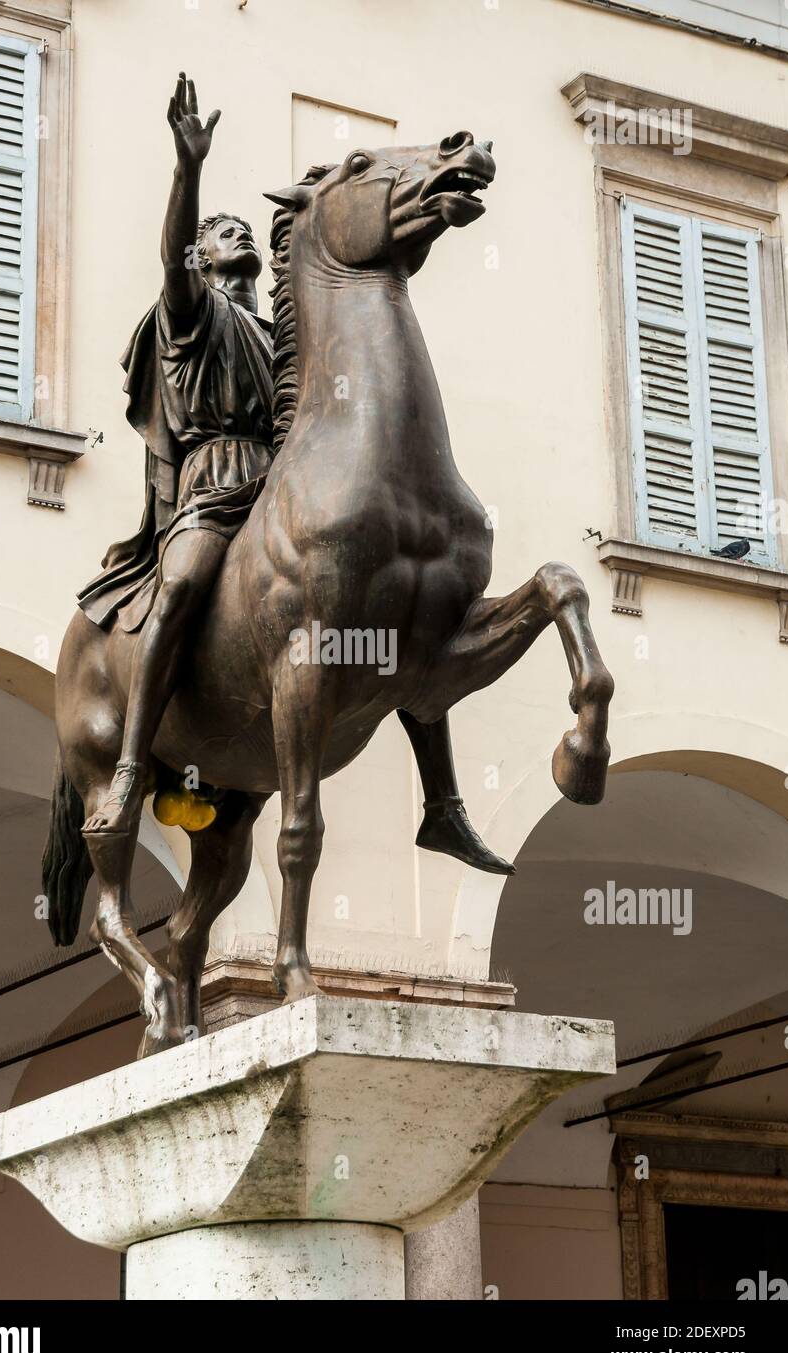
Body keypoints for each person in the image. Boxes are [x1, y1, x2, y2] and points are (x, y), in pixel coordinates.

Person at [78, 74, 514, 876]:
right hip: (218, 487)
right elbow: (170, 253)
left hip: (289, 485)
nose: (234, 235)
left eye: (242, 227)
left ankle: (443, 801)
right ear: (199, 257)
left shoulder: (284, 323)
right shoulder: (190, 314)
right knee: (182, 580)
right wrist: (188, 171)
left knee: (404, 597)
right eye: (219, 234)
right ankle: (134, 764)